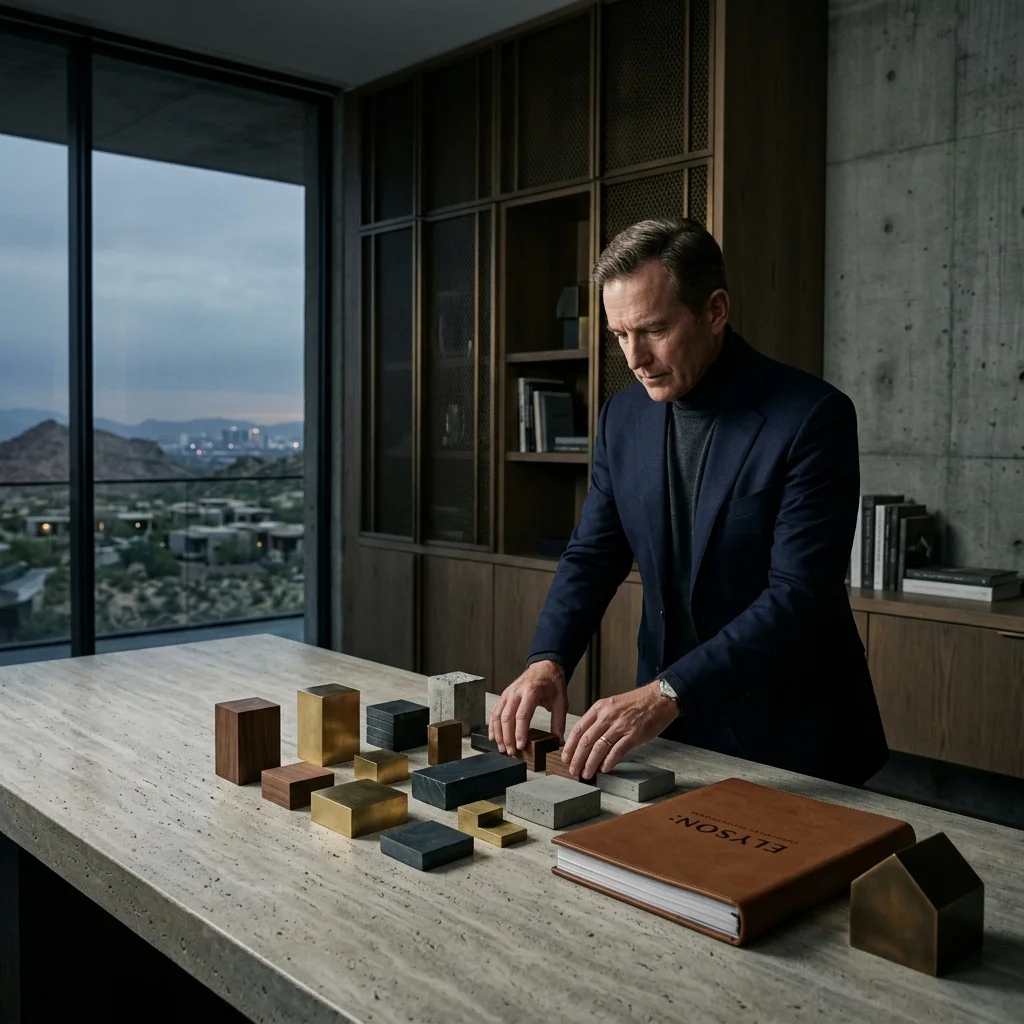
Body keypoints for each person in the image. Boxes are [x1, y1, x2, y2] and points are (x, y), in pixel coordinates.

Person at [489, 218, 888, 787]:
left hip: (792, 735)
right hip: (668, 732)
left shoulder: (811, 417)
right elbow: (593, 553)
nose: (633, 357)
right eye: (619, 335)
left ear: (715, 310)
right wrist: (547, 660)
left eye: (652, 330)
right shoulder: (621, 418)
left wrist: (667, 692)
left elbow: (799, 596)